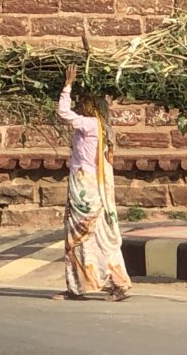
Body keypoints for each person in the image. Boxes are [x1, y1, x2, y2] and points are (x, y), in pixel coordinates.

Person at [53, 64, 131, 301]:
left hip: (85, 189)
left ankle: (97, 284)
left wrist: (67, 86)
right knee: (95, 235)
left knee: (79, 235)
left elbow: (63, 113)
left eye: (83, 103)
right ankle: (86, 284)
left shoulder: (89, 125)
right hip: (90, 188)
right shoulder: (104, 129)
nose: (79, 106)